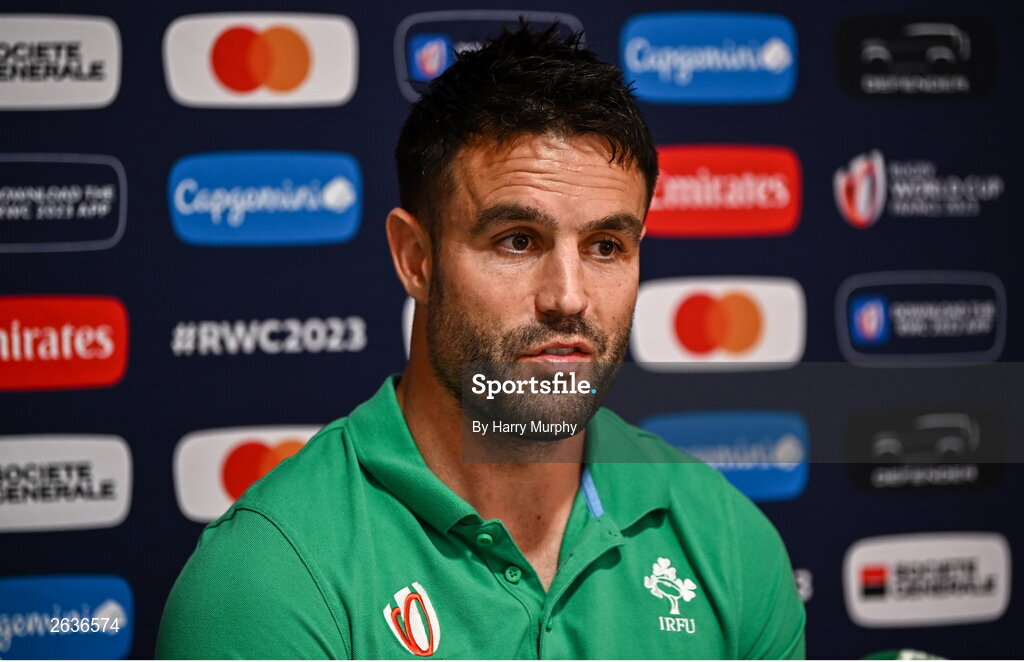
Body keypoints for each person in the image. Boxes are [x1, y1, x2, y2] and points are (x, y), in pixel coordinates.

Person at [156, 24, 805, 659]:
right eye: (518, 240)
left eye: (607, 247)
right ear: (416, 258)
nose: (569, 297)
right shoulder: (270, 579)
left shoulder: (725, 540)